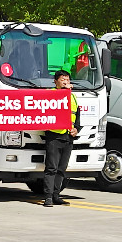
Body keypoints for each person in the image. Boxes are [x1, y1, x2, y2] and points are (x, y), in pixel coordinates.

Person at [42, 70, 80, 207]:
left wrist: (77, 129)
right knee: (51, 168)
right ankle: (48, 197)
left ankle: (56, 195)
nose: (66, 82)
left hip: (68, 137)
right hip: (54, 136)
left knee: (61, 169)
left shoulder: (73, 97)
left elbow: (77, 116)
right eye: (63, 80)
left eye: (68, 80)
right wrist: (65, 91)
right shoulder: (51, 94)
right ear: (55, 82)